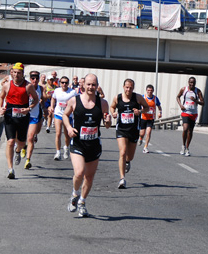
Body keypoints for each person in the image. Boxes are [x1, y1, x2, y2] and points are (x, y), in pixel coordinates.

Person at [63, 73, 111, 217]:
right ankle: (75, 194)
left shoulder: (103, 103)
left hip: (94, 144)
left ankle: (82, 202)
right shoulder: (74, 101)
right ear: (83, 85)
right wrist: (69, 128)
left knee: (89, 177)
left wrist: (108, 120)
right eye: (88, 84)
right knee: (79, 172)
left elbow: (107, 125)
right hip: (78, 142)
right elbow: (65, 115)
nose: (91, 87)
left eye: (93, 85)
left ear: (97, 86)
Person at [0, 62, 39, 179]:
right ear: (12, 73)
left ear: (22, 74)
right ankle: (10, 169)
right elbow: (1, 97)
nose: (16, 75)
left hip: (23, 117)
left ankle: (18, 151)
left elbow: (36, 99)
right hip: (10, 115)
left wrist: (29, 108)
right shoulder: (7, 85)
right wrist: (0, 108)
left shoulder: (28, 86)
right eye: (14, 72)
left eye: (19, 73)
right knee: (10, 141)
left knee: (21, 142)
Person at [110, 79, 149, 189]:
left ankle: (127, 161)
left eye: (131, 88)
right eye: (127, 87)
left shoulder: (137, 98)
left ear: (133, 88)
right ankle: (122, 179)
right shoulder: (117, 98)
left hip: (133, 130)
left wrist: (140, 112)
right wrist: (113, 113)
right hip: (121, 129)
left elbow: (147, 108)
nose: (128, 89)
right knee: (122, 152)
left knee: (130, 156)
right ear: (123, 87)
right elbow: (112, 106)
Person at [23, 71, 47, 169]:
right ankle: (24, 147)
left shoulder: (41, 88)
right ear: (30, 78)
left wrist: (43, 100)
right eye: (33, 78)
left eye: (36, 78)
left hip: (35, 115)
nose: (35, 80)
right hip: (25, 115)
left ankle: (28, 160)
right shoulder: (26, 87)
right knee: (25, 137)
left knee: (32, 136)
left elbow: (44, 98)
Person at [49, 76, 77, 160]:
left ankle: (66, 147)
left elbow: (76, 102)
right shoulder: (57, 91)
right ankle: (58, 152)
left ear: (68, 83)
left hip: (68, 115)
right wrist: (51, 106)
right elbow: (53, 99)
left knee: (67, 134)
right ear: (60, 83)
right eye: (62, 82)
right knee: (58, 133)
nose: (64, 84)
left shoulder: (72, 92)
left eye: (66, 82)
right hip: (58, 113)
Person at [176, 77, 204, 156]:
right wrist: (181, 105)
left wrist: (195, 100)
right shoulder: (183, 89)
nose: (192, 84)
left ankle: (187, 148)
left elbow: (203, 102)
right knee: (185, 128)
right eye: (191, 82)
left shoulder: (197, 91)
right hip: (185, 112)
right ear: (188, 82)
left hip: (193, 113)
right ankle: (183, 146)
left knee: (190, 131)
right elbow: (177, 97)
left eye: (193, 83)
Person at [138, 84, 162, 154]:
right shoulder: (143, 97)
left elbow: (159, 106)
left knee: (148, 132)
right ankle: (140, 138)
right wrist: (139, 110)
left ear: (153, 91)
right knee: (142, 133)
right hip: (143, 117)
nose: (150, 92)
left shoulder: (155, 98)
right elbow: (138, 105)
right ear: (146, 90)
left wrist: (160, 112)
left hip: (151, 118)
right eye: (148, 90)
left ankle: (145, 147)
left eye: (151, 91)